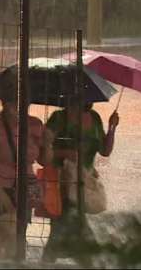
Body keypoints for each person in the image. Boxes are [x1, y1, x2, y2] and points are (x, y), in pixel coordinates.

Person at [0, 88, 51, 260]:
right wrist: (0, 194)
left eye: (24, 104)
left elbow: (45, 161)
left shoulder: (35, 125)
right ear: (4, 104)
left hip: (25, 188)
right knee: (13, 234)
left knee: (11, 239)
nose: (19, 108)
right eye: (14, 104)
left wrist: (49, 143)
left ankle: (0, 262)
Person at [41, 101, 119, 263]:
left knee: (62, 229)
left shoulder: (94, 118)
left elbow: (105, 151)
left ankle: (52, 259)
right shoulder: (59, 118)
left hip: (83, 181)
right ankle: (88, 256)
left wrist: (112, 128)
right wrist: (64, 153)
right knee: (69, 223)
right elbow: (43, 151)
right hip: (62, 182)